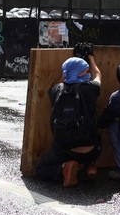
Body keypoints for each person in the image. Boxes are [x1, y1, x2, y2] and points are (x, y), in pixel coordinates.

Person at [36, 50, 102, 187]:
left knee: (41, 169)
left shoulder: (56, 91)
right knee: (91, 128)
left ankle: (64, 168)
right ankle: (90, 165)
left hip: (66, 150)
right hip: (93, 149)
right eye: (85, 71)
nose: (88, 73)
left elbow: (60, 81)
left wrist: (70, 66)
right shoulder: (91, 89)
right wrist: (90, 57)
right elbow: (98, 75)